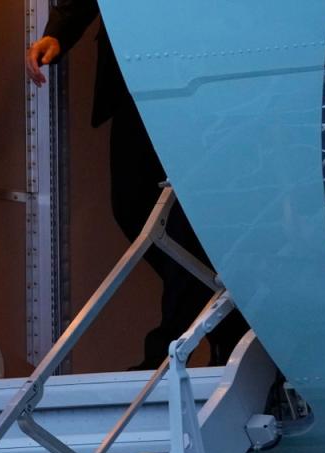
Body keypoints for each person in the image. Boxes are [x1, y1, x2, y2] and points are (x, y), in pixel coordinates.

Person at [27, 0, 245, 367]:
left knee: (181, 215)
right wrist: (58, 32)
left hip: (198, 70)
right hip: (136, 71)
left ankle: (170, 345)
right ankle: (226, 317)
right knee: (131, 206)